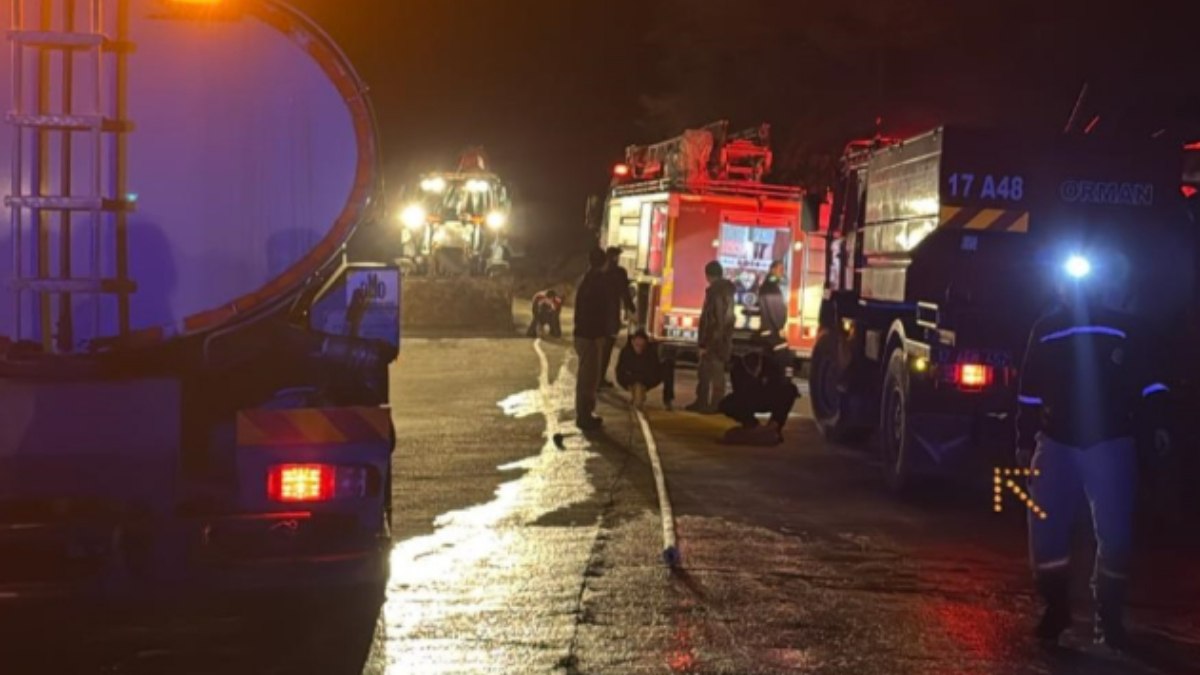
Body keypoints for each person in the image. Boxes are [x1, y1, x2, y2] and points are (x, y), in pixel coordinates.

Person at [1016, 264, 1168, 649]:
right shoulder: (1046, 329)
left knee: (1114, 536)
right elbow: (1029, 391)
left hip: (1109, 442)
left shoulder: (1125, 329)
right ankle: (1057, 608)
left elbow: (1150, 385)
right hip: (1060, 443)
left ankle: (1109, 617)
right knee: (1047, 535)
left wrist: (1157, 426)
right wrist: (1024, 440)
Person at [717, 350, 799, 445]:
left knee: (790, 390)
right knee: (726, 404)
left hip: (768, 397)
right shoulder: (737, 369)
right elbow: (739, 393)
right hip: (749, 399)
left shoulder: (771, 365)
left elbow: (779, 386)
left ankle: (774, 427)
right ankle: (752, 425)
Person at [686, 260, 735, 413]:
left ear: (708, 275)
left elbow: (713, 319)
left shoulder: (715, 292)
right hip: (720, 339)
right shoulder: (726, 291)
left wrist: (706, 342)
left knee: (710, 372)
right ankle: (709, 402)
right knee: (709, 372)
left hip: (714, 340)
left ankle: (710, 404)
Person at [573, 248, 613, 431]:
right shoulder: (597, 282)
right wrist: (600, 335)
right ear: (604, 263)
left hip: (583, 334)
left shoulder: (586, 280)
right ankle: (584, 415)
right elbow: (598, 312)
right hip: (591, 337)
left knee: (587, 377)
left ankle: (585, 413)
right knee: (588, 379)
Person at [600, 246, 636, 388]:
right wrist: (632, 309)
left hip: (598, 318)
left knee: (597, 350)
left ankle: (596, 379)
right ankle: (600, 379)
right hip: (610, 318)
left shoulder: (599, 272)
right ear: (615, 257)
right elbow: (625, 294)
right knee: (606, 350)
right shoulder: (619, 273)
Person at [615, 328, 676, 410]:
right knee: (637, 391)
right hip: (630, 379)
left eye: (642, 346)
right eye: (637, 345)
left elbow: (653, 370)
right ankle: (636, 393)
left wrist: (643, 385)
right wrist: (633, 384)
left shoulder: (650, 352)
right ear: (632, 342)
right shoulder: (626, 352)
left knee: (668, 365)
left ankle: (668, 400)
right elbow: (620, 372)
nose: (639, 348)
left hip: (647, 378)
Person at [756, 259, 790, 378]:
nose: (782, 272)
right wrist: (780, 327)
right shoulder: (771, 287)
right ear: (772, 270)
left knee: (768, 359)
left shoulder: (768, 285)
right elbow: (775, 309)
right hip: (773, 330)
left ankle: (764, 381)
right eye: (780, 269)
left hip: (768, 330)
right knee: (783, 356)